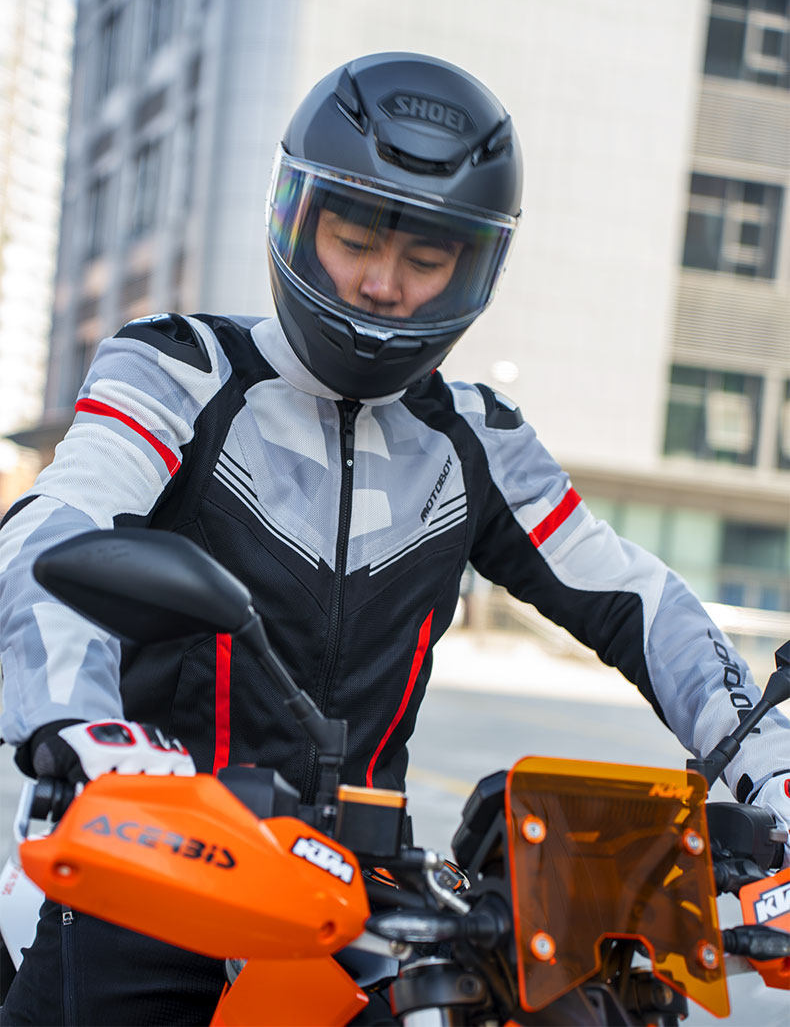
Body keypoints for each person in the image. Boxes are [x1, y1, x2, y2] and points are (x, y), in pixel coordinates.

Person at [1, 50, 789, 1025]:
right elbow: (58, 526)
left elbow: (639, 599)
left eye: (425, 260)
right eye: (354, 240)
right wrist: (84, 730)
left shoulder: (479, 438)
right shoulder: (177, 369)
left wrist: (772, 762)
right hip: (158, 857)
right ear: (298, 222)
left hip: (368, 893)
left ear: (473, 267)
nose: (382, 283)